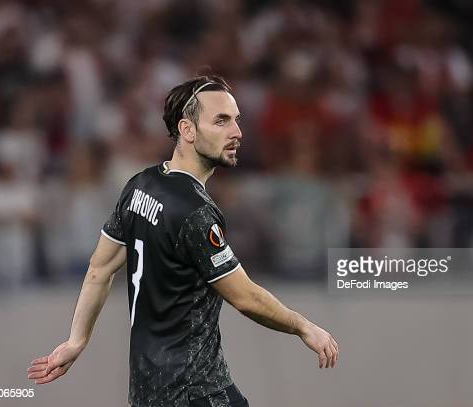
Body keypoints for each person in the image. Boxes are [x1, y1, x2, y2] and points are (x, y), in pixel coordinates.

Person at [26, 74, 339, 407]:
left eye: (236, 120)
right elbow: (245, 297)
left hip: (147, 393)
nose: (237, 132)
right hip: (196, 392)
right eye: (221, 121)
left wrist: (76, 340)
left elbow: (99, 270)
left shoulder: (140, 185)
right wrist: (303, 326)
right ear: (187, 130)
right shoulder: (195, 212)